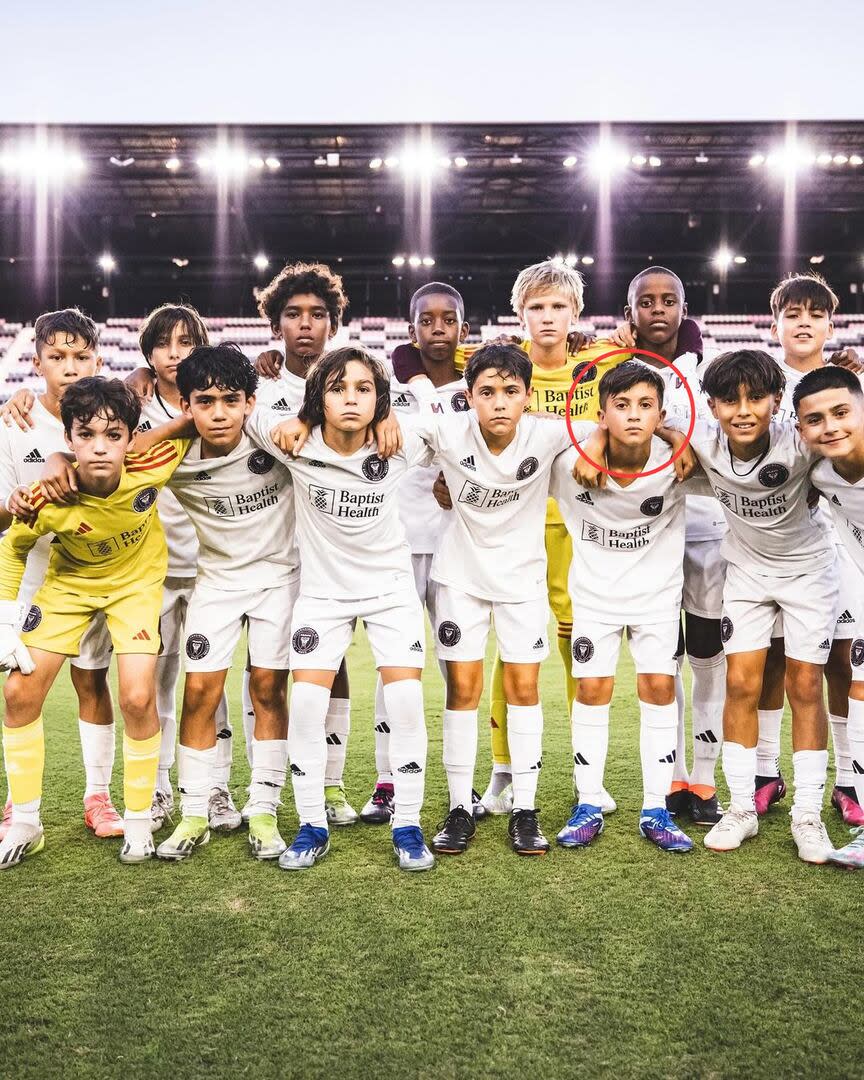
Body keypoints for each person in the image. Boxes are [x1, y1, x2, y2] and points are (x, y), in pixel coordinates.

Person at [245, 346, 435, 872]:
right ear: (317, 399)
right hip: (323, 595)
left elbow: (449, 424)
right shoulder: (292, 441)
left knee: (405, 704)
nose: (351, 398)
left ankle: (408, 824)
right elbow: (241, 410)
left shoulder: (401, 442)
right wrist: (297, 419)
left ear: (380, 397)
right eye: (337, 388)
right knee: (305, 707)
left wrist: (396, 414)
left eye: (364, 389)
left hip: (390, 590)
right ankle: (311, 825)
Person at [116, 344, 298, 863]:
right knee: (199, 693)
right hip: (214, 582)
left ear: (250, 402)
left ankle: (263, 810)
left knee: (267, 689)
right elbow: (127, 454)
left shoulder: (270, 435)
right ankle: (194, 813)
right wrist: (180, 426)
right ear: (188, 404)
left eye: (230, 400)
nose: (219, 413)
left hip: (278, 579)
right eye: (205, 401)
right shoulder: (173, 454)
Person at [0, 378, 185, 867]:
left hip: (135, 587)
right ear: (69, 439)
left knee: (138, 696)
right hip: (69, 586)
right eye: (86, 436)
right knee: (19, 692)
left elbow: (192, 422)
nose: (100, 448)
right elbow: (13, 549)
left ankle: (140, 822)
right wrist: (4, 623)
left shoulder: (152, 464)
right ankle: (25, 821)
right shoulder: (47, 494)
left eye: (114, 435)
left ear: (131, 438)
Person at [664, 350, 837, 863]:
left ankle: (807, 815)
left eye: (756, 398)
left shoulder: (799, 443)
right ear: (711, 404)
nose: (744, 410)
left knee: (805, 685)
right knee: (740, 682)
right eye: (729, 400)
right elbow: (661, 424)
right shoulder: (706, 441)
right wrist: (675, 440)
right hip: (745, 573)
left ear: (777, 401)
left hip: (809, 572)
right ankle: (742, 809)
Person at [407, 342, 579, 856]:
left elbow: (612, 434)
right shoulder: (445, 431)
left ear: (528, 396)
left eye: (510, 391)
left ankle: (525, 809)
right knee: (463, 689)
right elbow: (394, 435)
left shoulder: (549, 433)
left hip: (522, 582)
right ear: (469, 396)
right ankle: (460, 807)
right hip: (459, 578)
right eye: (487, 392)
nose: (499, 402)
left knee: (524, 687)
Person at [552, 362, 700, 852]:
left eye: (645, 406)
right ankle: (588, 802)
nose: (633, 415)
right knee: (592, 689)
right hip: (595, 598)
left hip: (658, 599)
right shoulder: (569, 462)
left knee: (659, 688)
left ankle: (655, 808)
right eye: (621, 406)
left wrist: (680, 438)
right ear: (602, 414)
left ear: (660, 414)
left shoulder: (681, 461)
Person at [0, 309, 118, 840]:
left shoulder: (110, 415)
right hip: (32, 578)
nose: (70, 368)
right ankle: (20, 807)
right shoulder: (13, 420)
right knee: (21, 692)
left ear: (97, 358)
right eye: (57, 357)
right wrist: (16, 504)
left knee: (92, 681)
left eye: (80, 356)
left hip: (95, 571)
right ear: (36, 361)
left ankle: (98, 797)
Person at [752, 273, 864, 827]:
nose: (803, 322)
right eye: (791, 313)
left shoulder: (849, 381)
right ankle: (766, 771)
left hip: (837, 540)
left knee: (841, 661)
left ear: (829, 323)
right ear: (774, 325)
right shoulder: (761, 385)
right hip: (776, 541)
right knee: (774, 660)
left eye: (814, 314)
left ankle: (849, 778)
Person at [361, 281, 474, 825]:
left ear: (462, 330)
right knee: (396, 669)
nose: (436, 330)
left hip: (459, 547)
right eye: (425, 321)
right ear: (411, 331)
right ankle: (387, 781)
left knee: (460, 668)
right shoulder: (385, 386)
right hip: (398, 546)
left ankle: (462, 786)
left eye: (446, 320)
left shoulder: (480, 387)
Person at [793, 366, 864, 867]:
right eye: (815, 419)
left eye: (842, 413)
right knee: (859, 687)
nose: (830, 427)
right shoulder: (821, 472)